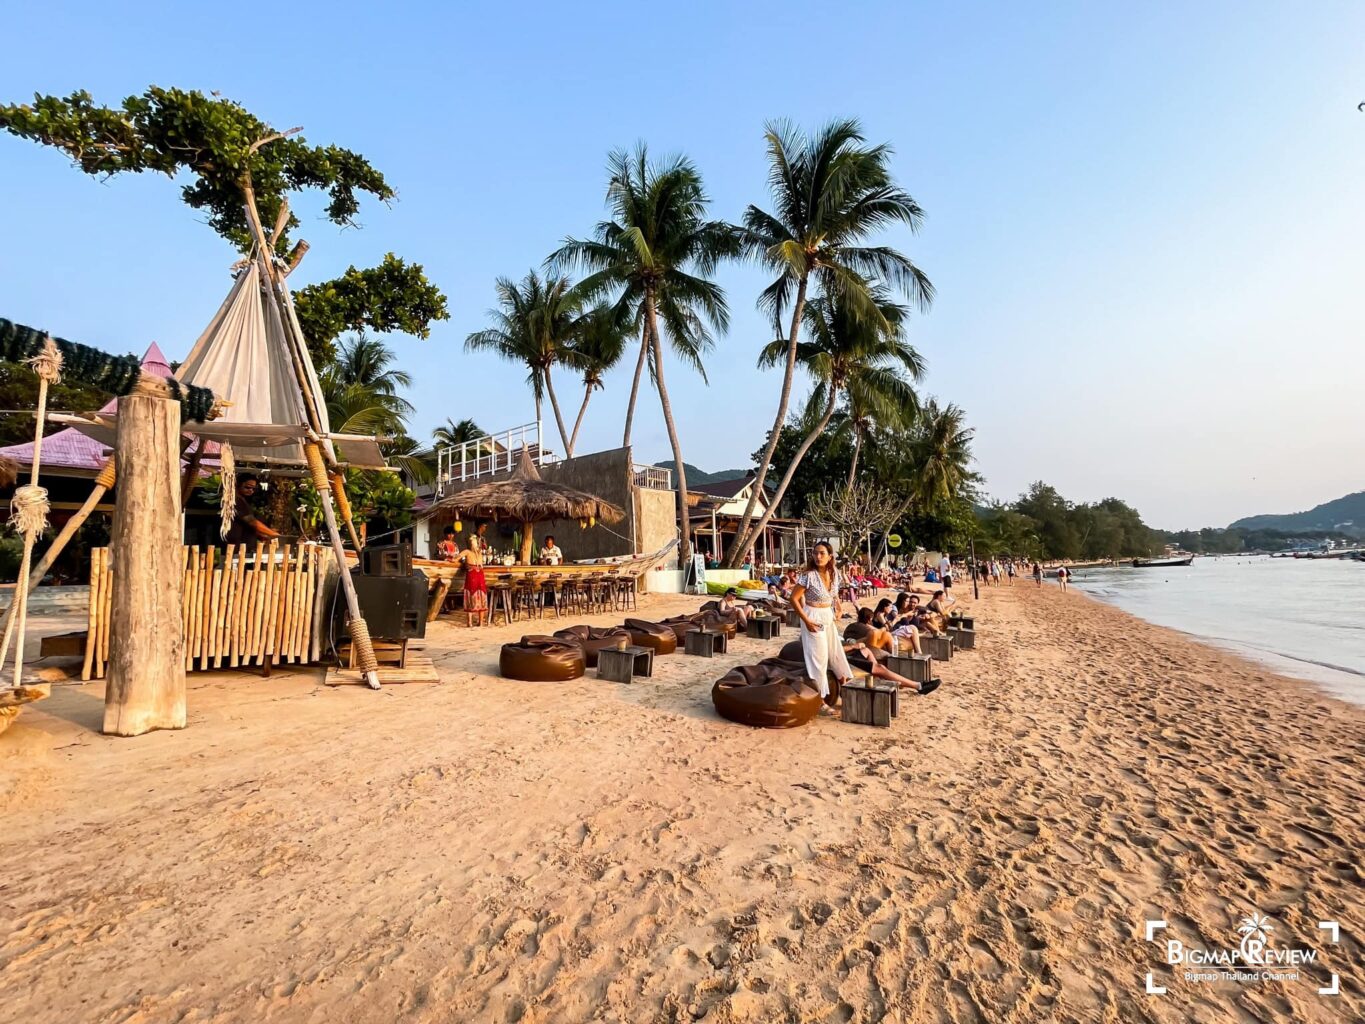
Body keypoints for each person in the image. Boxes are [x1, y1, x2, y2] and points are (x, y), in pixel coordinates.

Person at [791, 541, 854, 710]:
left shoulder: (835, 573)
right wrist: (807, 621)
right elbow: (794, 599)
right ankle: (820, 699)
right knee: (818, 658)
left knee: (836, 653)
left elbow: (834, 595)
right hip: (812, 614)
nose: (818, 557)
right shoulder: (808, 575)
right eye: (815, 553)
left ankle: (846, 689)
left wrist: (839, 607)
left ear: (830, 556)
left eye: (822, 553)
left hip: (828, 615)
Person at [224, 473, 282, 546]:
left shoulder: (243, 500)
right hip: (236, 545)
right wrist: (273, 534)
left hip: (244, 543)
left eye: (253, 489)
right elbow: (252, 522)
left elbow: (247, 525)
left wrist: (262, 535)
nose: (251, 490)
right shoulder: (236, 500)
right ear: (238, 485)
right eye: (248, 487)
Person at [458, 538, 488, 627]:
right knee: (481, 595)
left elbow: (456, 558)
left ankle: (470, 623)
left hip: (472, 575)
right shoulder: (480, 553)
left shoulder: (467, 552)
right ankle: (481, 622)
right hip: (480, 574)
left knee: (470, 596)